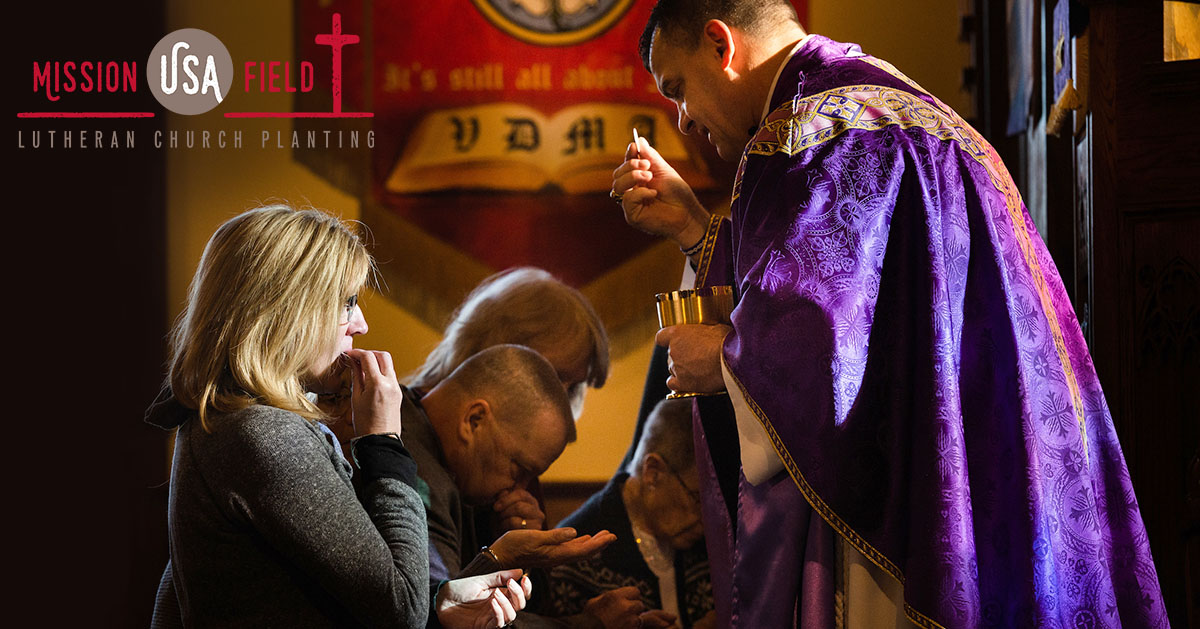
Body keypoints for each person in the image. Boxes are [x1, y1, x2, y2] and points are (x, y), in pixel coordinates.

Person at [610, 1, 1169, 627]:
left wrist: (720, 359)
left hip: (910, 494)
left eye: (678, 89)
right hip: (995, 448)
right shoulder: (888, 105)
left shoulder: (801, 136)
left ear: (721, 45)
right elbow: (835, 300)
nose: (682, 119)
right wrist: (694, 228)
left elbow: (821, 353)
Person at [147, 205, 531, 628]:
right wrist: (383, 442)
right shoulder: (264, 434)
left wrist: (440, 600)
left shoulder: (225, 418)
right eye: (347, 303)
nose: (361, 324)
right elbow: (399, 610)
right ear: (285, 311)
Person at [407, 267, 610, 547]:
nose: (560, 399)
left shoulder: (521, 466)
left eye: (573, 387)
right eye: (553, 375)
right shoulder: (398, 430)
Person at [398, 343, 617, 587]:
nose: (519, 490)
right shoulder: (409, 468)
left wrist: (511, 547)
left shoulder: (461, 470)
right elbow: (438, 612)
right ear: (474, 420)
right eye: (519, 469)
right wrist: (500, 558)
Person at [538, 398, 715, 629]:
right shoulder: (575, 554)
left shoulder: (704, 546)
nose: (705, 521)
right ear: (652, 472)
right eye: (697, 498)